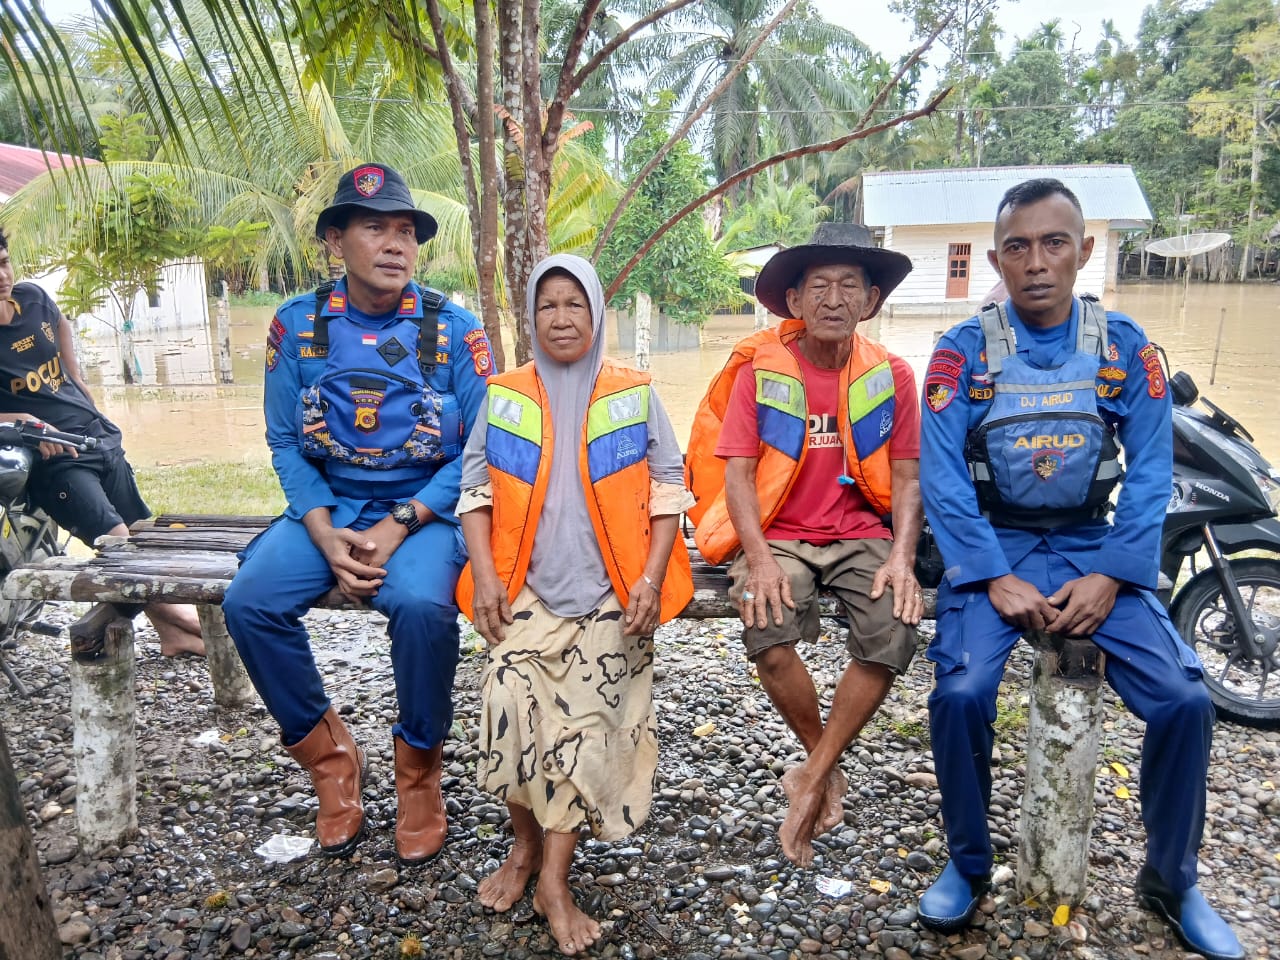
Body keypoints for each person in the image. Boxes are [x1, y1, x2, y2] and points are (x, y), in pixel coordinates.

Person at [917, 178, 1243, 960]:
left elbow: (1154, 471)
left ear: (1084, 251)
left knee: (1183, 699)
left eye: (1054, 243)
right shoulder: (962, 354)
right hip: (997, 546)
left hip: (1096, 546)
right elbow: (942, 478)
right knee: (959, 693)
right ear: (997, 258)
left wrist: (1115, 575)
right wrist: (992, 575)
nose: (1037, 262)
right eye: (1019, 247)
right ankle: (969, 863)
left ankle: (1172, 878)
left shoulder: (1125, 347)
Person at [222, 163, 492, 863]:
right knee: (250, 599)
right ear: (336, 240)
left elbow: (480, 455)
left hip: (426, 511)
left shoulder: (454, 331)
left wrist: (398, 521)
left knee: (424, 608)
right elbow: (285, 440)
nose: (396, 244)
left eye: (406, 230)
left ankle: (419, 772)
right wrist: (319, 526)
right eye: (376, 228)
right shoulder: (299, 326)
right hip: (329, 503)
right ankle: (331, 761)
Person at [456, 254, 694, 956]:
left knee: (583, 734)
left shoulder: (635, 392)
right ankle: (523, 848)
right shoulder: (503, 394)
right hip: (526, 590)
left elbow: (668, 489)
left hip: (614, 597)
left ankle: (553, 881)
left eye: (575, 305)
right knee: (506, 713)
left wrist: (650, 579)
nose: (562, 318)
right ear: (531, 318)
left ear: (597, 313)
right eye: (548, 306)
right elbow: (474, 491)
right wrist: (487, 576)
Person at [686, 224, 924, 868]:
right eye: (818, 285)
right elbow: (735, 473)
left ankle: (813, 773)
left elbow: (907, 476)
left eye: (850, 285)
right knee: (767, 623)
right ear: (794, 301)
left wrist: (902, 555)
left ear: (871, 301)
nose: (833, 298)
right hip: (780, 534)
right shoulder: (760, 372)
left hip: (860, 533)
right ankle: (826, 763)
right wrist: (757, 557)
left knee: (896, 625)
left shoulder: (894, 374)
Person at [0, 227, 204, 657]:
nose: (2, 276)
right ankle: (182, 624)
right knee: (115, 540)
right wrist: (21, 421)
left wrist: (77, 380)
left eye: (3, 263)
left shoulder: (32, 297)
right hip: (56, 460)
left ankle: (171, 633)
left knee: (140, 531)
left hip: (95, 435)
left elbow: (59, 323)